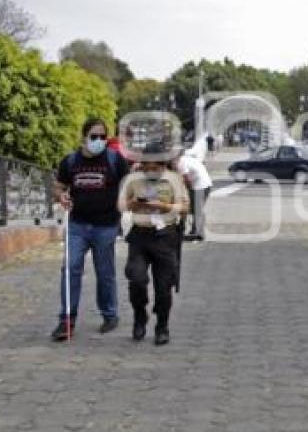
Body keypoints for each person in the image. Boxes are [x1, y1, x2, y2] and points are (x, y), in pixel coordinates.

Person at [51, 117, 130, 341]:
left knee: (105, 272)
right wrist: (61, 196)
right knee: (70, 268)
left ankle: (110, 315)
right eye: (93, 136)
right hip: (77, 225)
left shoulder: (115, 160)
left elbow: (129, 183)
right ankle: (67, 319)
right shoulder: (70, 161)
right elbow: (58, 186)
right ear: (84, 137)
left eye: (103, 137)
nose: (98, 140)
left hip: (105, 225)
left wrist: (123, 201)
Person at [118, 143, 189, 345]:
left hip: (165, 236)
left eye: (155, 167)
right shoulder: (133, 179)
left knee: (163, 286)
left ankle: (162, 326)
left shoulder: (174, 179)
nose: (151, 170)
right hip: (140, 236)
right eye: (146, 166)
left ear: (163, 164)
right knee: (137, 278)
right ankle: (140, 316)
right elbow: (121, 205)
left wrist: (163, 206)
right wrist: (133, 203)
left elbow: (184, 208)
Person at [173, 151, 212, 240]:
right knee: (193, 209)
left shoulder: (181, 164)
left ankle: (198, 233)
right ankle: (193, 230)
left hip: (200, 186)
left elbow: (187, 180)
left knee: (196, 210)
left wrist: (185, 190)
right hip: (205, 184)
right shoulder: (185, 159)